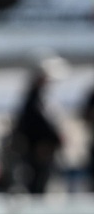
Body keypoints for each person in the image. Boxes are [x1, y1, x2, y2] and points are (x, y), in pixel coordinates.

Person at [9, 63, 64, 195]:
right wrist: (48, 140)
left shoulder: (40, 98)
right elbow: (34, 124)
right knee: (38, 184)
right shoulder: (33, 100)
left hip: (42, 147)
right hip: (38, 148)